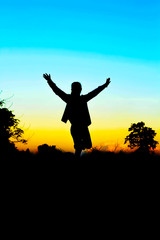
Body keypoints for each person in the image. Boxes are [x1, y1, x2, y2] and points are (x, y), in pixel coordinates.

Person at [43, 73, 111, 158]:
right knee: (79, 148)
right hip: (76, 127)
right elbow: (57, 91)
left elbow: (95, 92)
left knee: (87, 145)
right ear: (73, 89)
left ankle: (78, 146)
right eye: (76, 89)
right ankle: (78, 148)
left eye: (78, 89)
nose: (77, 90)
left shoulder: (80, 99)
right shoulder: (71, 99)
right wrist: (49, 81)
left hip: (82, 127)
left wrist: (105, 85)